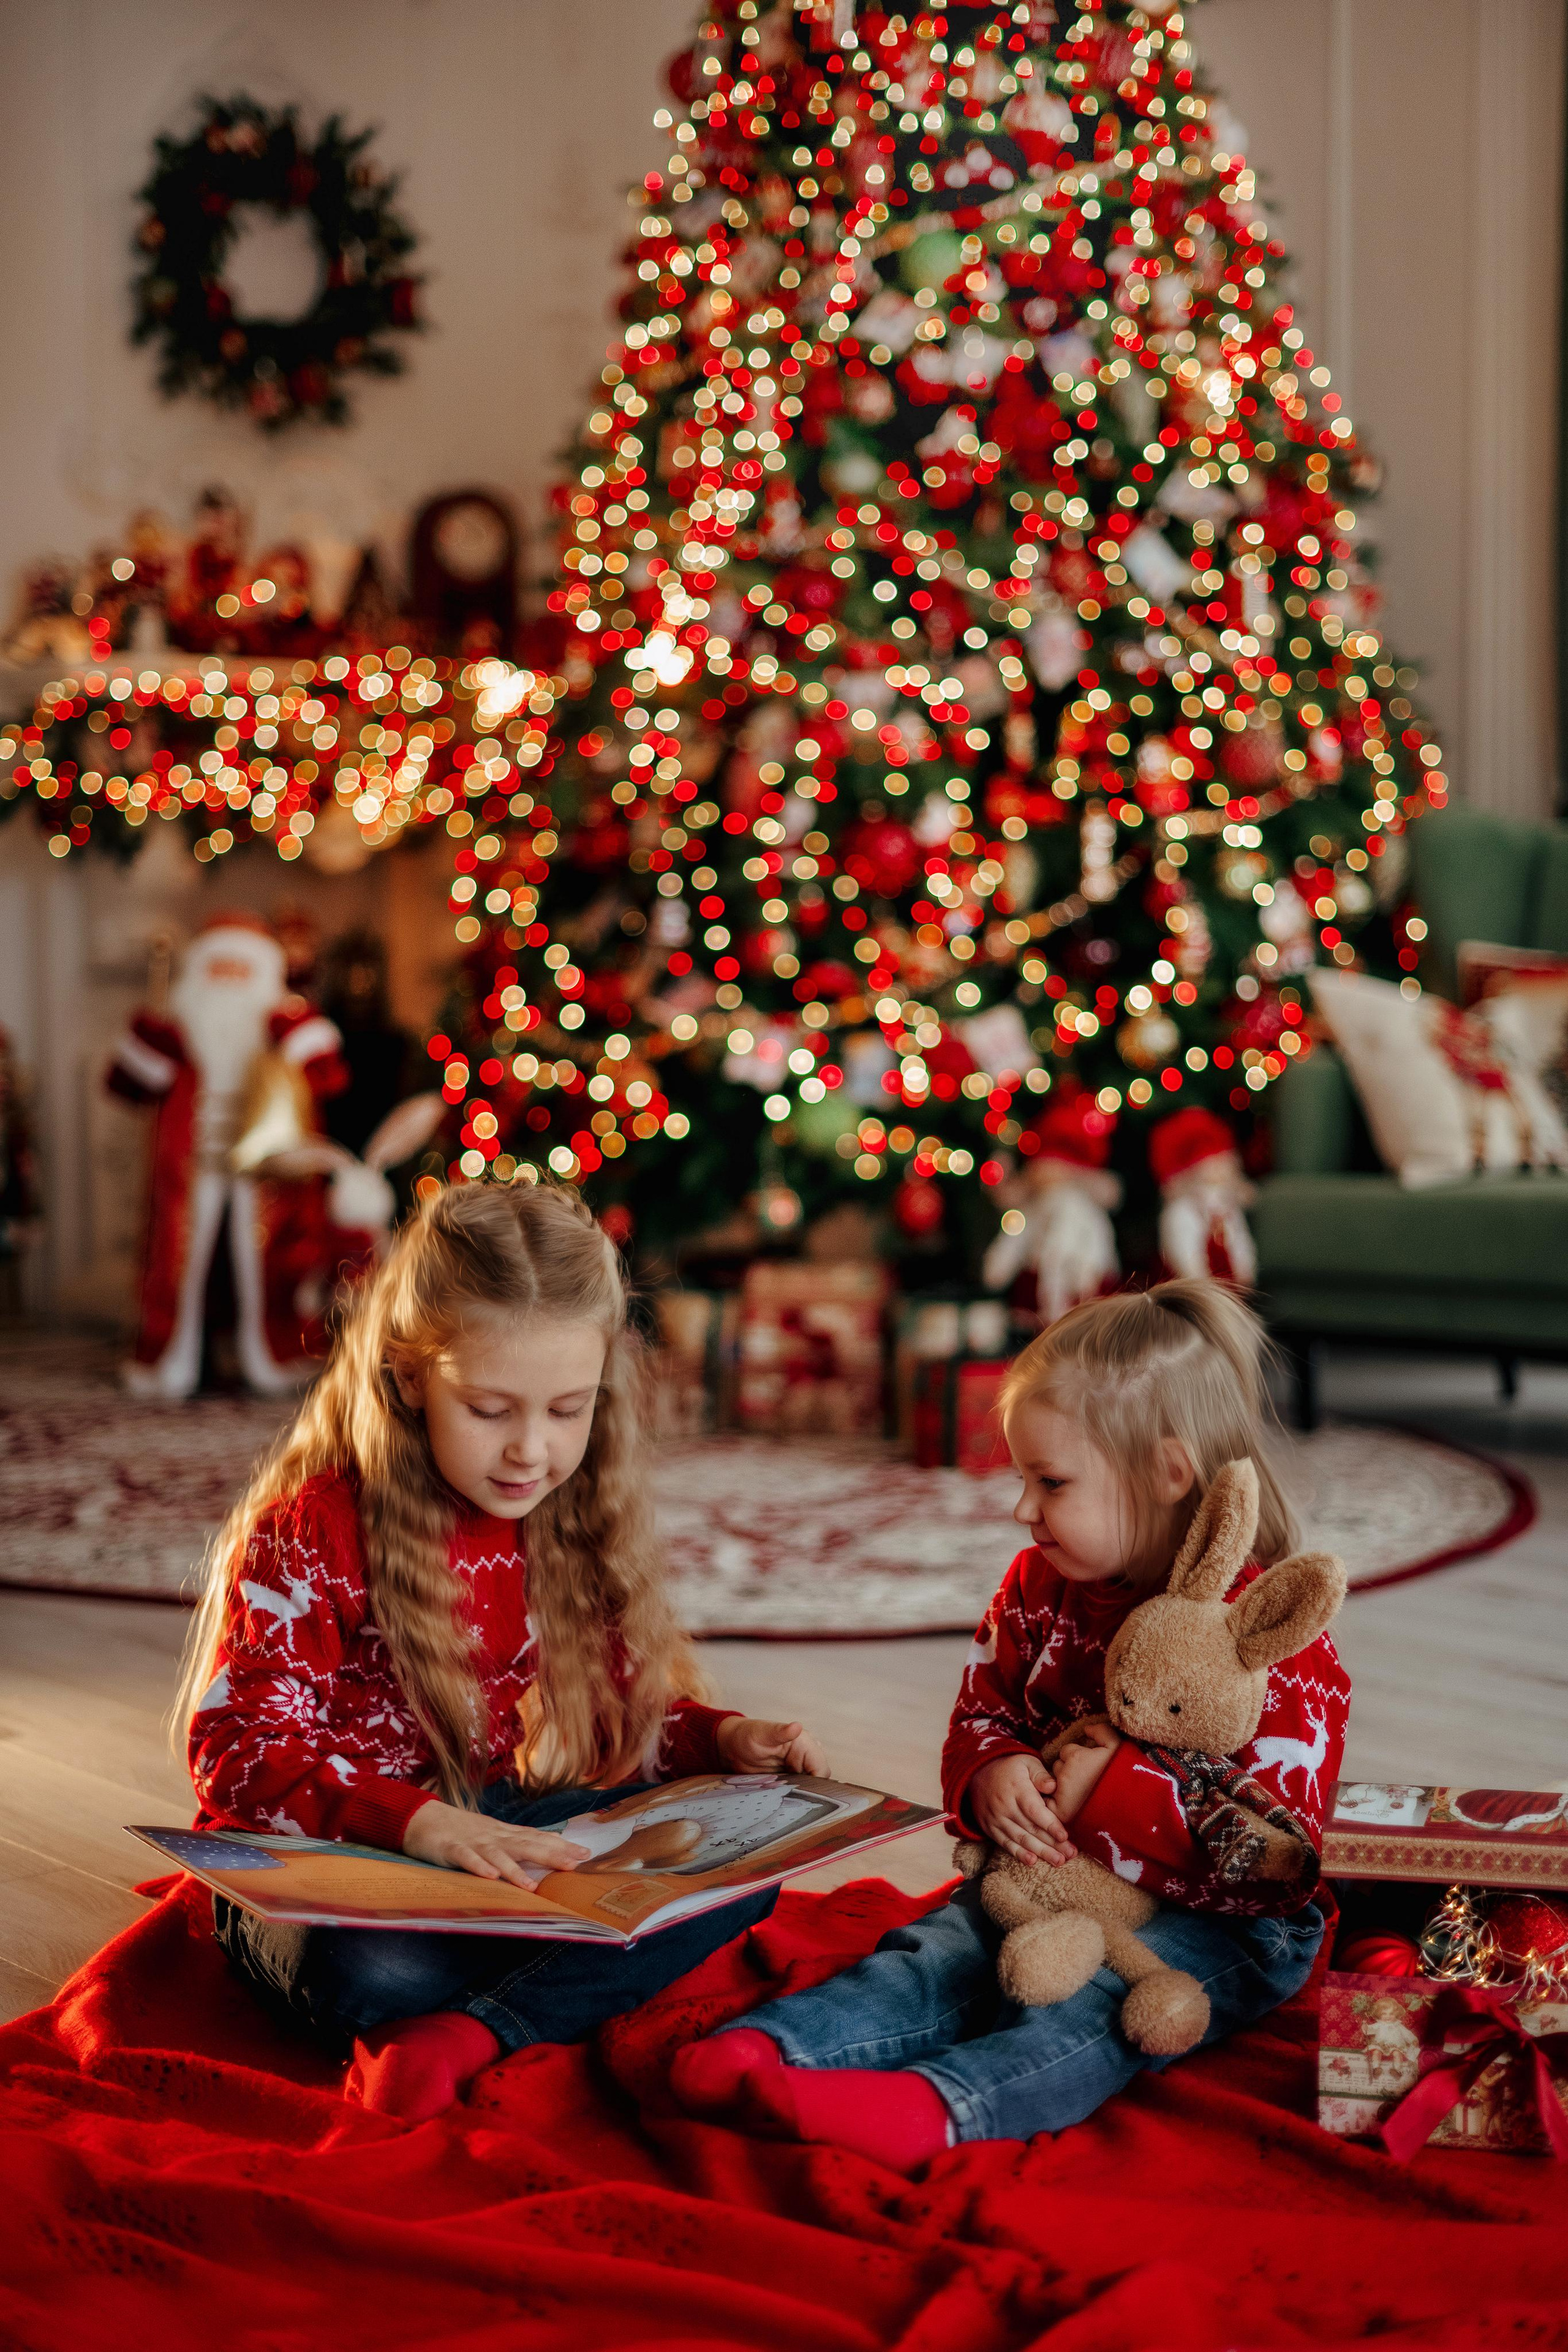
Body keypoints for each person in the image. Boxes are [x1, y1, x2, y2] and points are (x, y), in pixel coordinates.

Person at [181, 1182, 826, 2120]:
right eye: (491, 1410)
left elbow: (610, 1719)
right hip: (317, 1869)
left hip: (479, 1826)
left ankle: (478, 2029)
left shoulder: (562, 1516)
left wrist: (720, 1742)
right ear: (409, 1378)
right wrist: (416, 1826)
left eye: (569, 1411)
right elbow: (238, 1758)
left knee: (736, 1878)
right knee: (377, 1972)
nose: (533, 1450)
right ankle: (525, 1989)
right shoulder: (311, 1531)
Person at [671, 1280, 1350, 2171]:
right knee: (938, 1950)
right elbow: (983, 1708)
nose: (1022, 1510)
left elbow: (1282, 1850)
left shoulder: (1262, 1631)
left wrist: (1112, 1791)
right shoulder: (1037, 1586)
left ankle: (940, 2108)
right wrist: (991, 1774)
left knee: (1095, 2005)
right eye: (1024, 1479)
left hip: (1224, 1923)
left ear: (1167, 1475)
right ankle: (777, 2049)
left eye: (1052, 1482)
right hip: (1045, 1878)